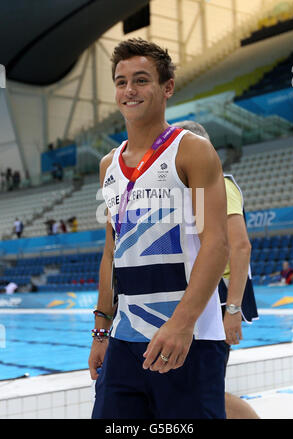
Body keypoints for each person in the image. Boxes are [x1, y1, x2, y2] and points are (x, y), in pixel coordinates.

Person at [89, 38, 229, 419]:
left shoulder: (191, 150)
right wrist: (101, 331)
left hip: (190, 338)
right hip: (125, 338)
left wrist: (182, 324)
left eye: (140, 80)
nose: (129, 91)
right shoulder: (108, 165)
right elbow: (111, 252)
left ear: (167, 87)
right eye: (121, 82)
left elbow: (217, 243)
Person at [174, 120, 259, 419]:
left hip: (221, 298)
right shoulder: (194, 192)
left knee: (205, 389)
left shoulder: (221, 185)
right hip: (205, 297)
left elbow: (240, 246)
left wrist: (233, 309)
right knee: (199, 389)